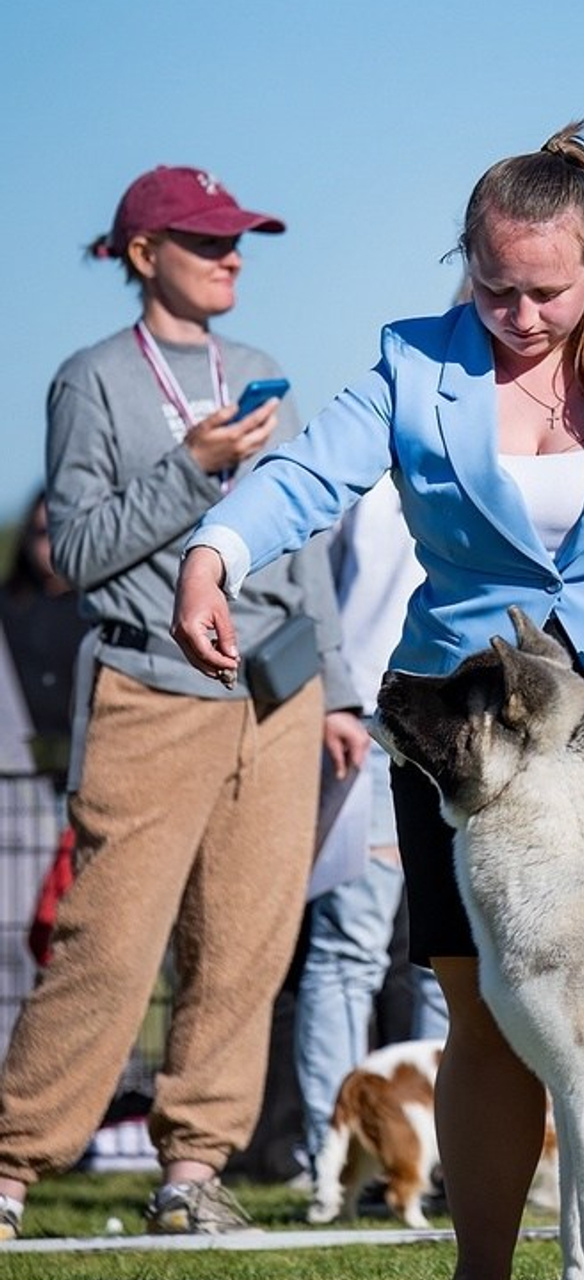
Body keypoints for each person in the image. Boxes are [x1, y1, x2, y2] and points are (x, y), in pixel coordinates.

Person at [172, 120, 584, 1280]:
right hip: (468, 748)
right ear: (467, 263)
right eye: (496, 289)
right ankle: (481, 1267)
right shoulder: (413, 362)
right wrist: (216, 550)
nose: (521, 315)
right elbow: (307, 474)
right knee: (483, 1015)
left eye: (547, 291)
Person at [0, 165, 365, 1241]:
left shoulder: (262, 373)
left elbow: (301, 548)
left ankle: (192, 1171)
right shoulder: (93, 380)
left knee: (245, 945)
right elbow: (79, 551)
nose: (232, 256)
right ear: (141, 253)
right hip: (151, 688)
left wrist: (337, 690)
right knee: (108, 944)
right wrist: (192, 465)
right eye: (208, 241)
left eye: (239, 239)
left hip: (279, 695)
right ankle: (12, 1166)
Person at [295, 474, 449, 1199]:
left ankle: (447, 1155)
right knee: (357, 950)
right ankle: (333, 1161)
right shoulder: (365, 476)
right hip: (371, 721)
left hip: (440, 724)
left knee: (444, 958)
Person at [0, 490, 90, 790]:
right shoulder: (9, 606)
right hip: (17, 776)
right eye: (42, 532)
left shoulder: (100, 609)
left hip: (88, 766)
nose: (50, 543)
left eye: (59, 530)